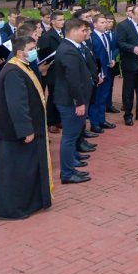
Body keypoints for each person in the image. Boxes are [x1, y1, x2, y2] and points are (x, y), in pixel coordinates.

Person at [0, 34, 54, 219]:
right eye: (31, 49)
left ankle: (31, 203)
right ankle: (13, 209)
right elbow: (17, 104)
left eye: (35, 48)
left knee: (27, 168)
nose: (34, 52)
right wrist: (26, 130)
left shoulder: (23, 66)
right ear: (19, 52)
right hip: (14, 132)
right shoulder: (13, 72)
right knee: (15, 171)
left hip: (24, 128)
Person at [51, 18, 94, 184]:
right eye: (83, 30)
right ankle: (67, 173)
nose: (86, 33)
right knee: (69, 137)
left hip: (71, 100)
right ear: (73, 31)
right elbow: (73, 79)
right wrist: (79, 102)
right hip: (70, 101)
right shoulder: (68, 50)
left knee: (72, 136)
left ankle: (70, 167)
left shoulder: (71, 47)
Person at [88, 12, 118, 133]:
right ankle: (94, 123)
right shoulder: (91, 37)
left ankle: (102, 120)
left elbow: (109, 50)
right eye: (102, 22)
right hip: (98, 73)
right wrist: (97, 73)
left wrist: (112, 59)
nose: (105, 24)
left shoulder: (106, 35)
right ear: (95, 24)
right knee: (96, 99)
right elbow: (93, 57)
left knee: (103, 97)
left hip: (107, 70)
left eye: (106, 22)